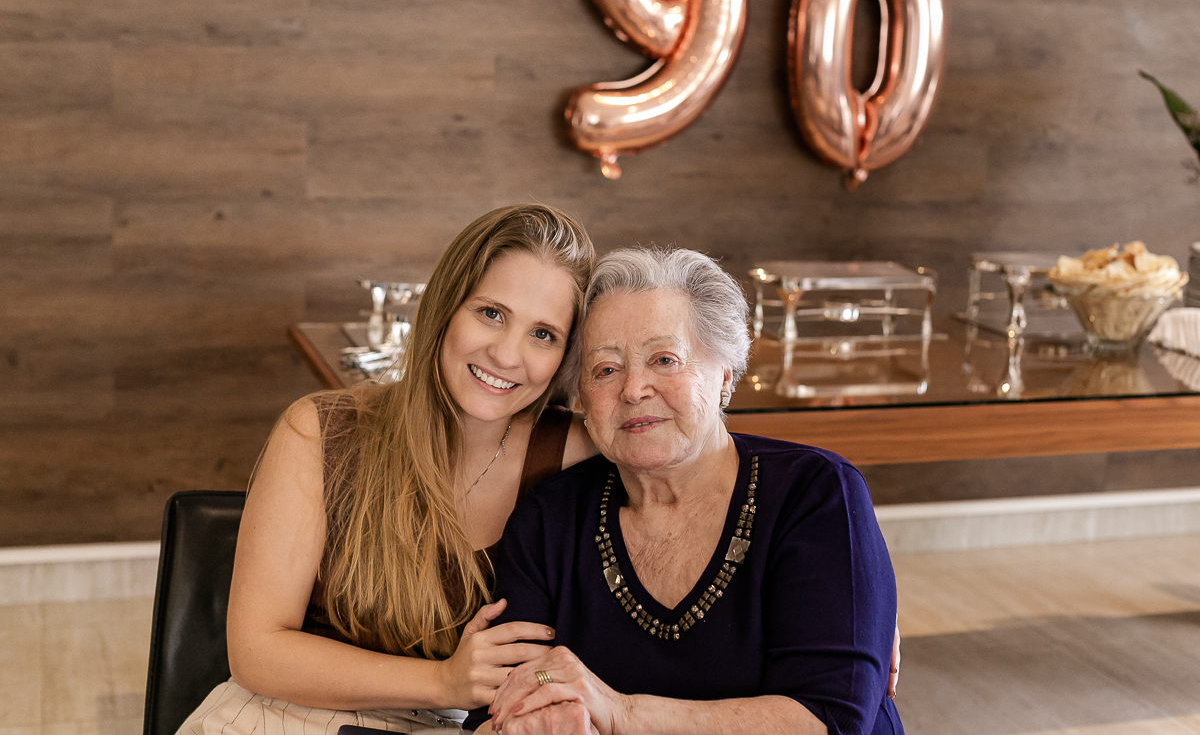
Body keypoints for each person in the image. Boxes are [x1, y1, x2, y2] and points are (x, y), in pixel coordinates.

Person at [177, 205, 599, 734]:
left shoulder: (578, 453)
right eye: (491, 313)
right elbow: (257, 652)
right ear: (445, 306)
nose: (506, 354)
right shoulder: (318, 433)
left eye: (544, 335)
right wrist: (444, 681)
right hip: (288, 715)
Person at [466, 247, 904, 735]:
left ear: (724, 374)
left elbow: (833, 718)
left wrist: (619, 713)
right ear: (581, 400)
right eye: (605, 369)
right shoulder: (550, 518)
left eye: (664, 359)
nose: (634, 389)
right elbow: (497, 710)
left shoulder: (815, 493)